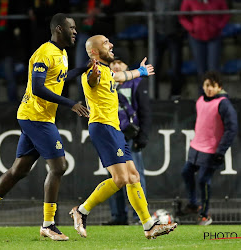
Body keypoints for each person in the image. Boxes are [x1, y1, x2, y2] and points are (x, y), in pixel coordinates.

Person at [0, 13, 89, 241]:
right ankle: (49, 224)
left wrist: (83, 68)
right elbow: (37, 88)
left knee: (19, 170)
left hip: (38, 116)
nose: (75, 31)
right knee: (59, 167)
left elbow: (61, 78)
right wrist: (70, 103)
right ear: (58, 29)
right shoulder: (44, 52)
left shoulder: (62, 54)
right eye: (71, 27)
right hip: (36, 117)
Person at [69, 35, 177, 239]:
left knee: (133, 176)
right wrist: (93, 73)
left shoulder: (109, 72)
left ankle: (148, 225)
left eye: (110, 42)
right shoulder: (94, 72)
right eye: (106, 43)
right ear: (94, 52)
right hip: (103, 128)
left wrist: (140, 71)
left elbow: (120, 77)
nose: (111, 45)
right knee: (120, 179)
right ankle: (81, 211)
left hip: (114, 129)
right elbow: (94, 78)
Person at [181, 71, 238, 225]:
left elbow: (232, 128)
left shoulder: (223, 104)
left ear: (219, 87)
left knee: (203, 180)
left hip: (212, 150)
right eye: (206, 85)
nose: (209, 89)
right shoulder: (200, 100)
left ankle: (205, 214)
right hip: (196, 147)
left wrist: (221, 151)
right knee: (186, 173)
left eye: (212, 86)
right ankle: (194, 204)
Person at [103, 51, 151, 225]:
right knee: (114, 177)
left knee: (135, 176)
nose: (116, 66)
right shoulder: (105, 81)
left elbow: (145, 111)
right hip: (110, 135)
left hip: (130, 136)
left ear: (126, 67)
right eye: (114, 62)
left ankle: (140, 217)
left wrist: (143, 136)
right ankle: (118, 216)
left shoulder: (136, 83)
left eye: (120, 63)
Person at [144, 0, 184, 100]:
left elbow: (184, 10)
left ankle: (175, 95)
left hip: (175, 33)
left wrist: (180, 29)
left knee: (175, 67)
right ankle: (153, 95)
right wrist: (152, 27)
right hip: (157, 33)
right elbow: (148, 10)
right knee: (154, 66)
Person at [179, 0, 230, 78]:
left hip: (214, 37)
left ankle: (213, 90)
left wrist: (219, 26)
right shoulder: (188, 1)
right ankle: (202, 90)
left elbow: (226, 15)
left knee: (213, 68)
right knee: (201, 69)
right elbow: (182, 17)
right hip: (196, 38)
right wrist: (192, 28)